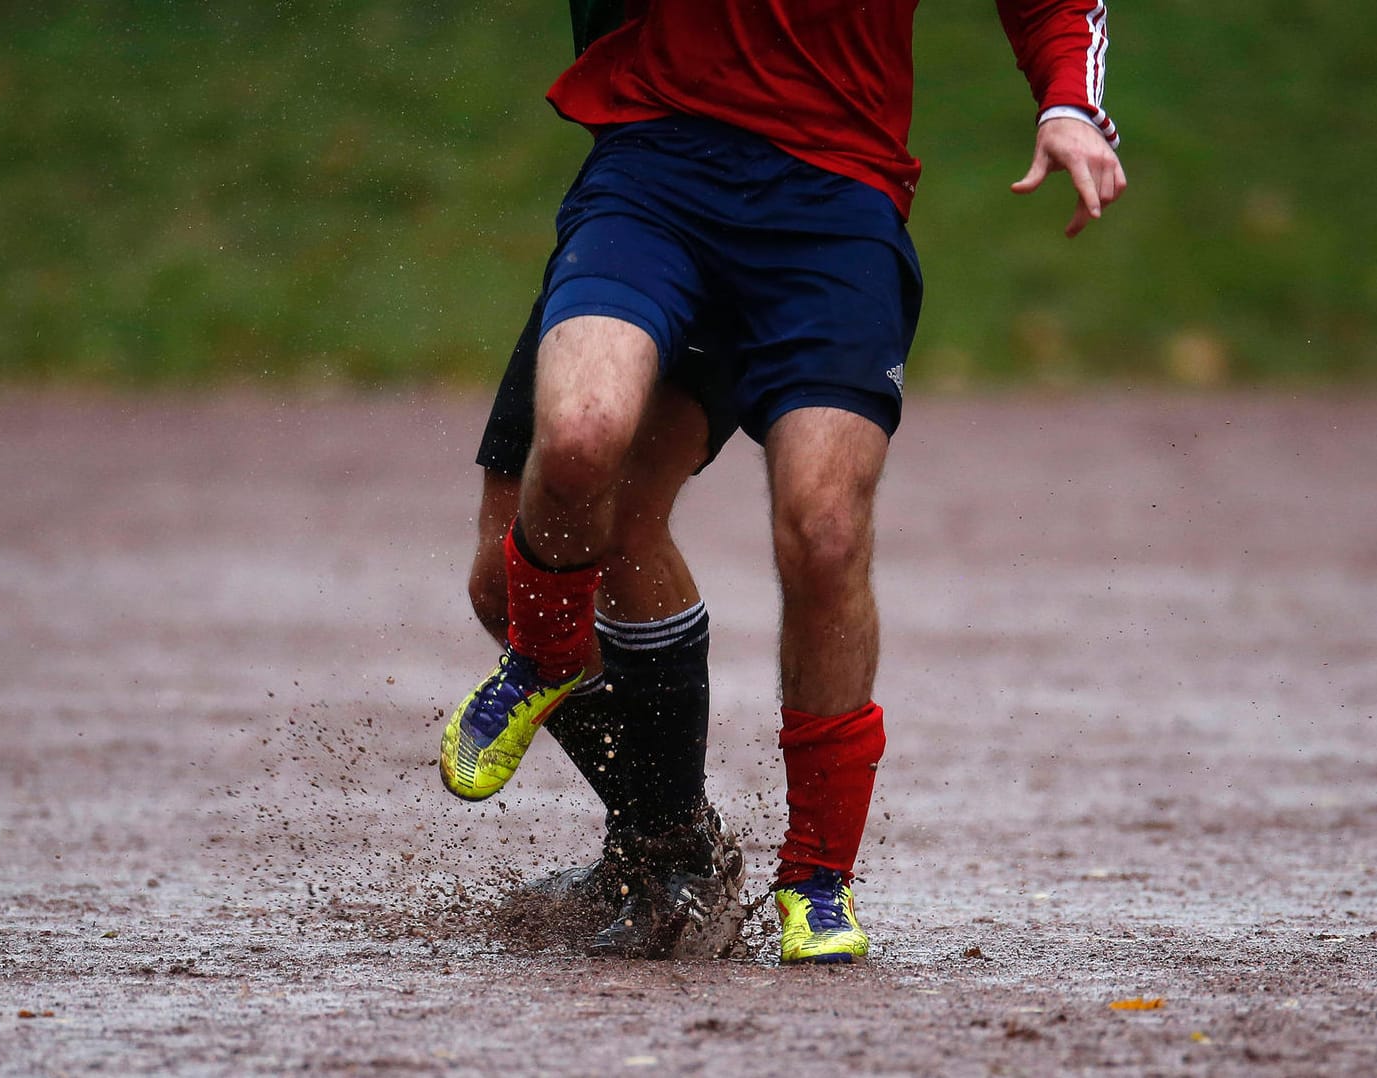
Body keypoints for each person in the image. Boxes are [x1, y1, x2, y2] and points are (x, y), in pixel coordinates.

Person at [441, 0, 1126, 965]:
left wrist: (1070, 102)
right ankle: (664, 830)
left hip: (821, 199)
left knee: (770, 528)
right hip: (656, 166)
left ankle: (707, 861)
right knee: (501, 576)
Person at [467, 295, 746, 958]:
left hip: (737, 245)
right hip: (612, 237)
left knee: (624, 521)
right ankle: (659, 836)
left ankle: (670, 855)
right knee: (502, 580)